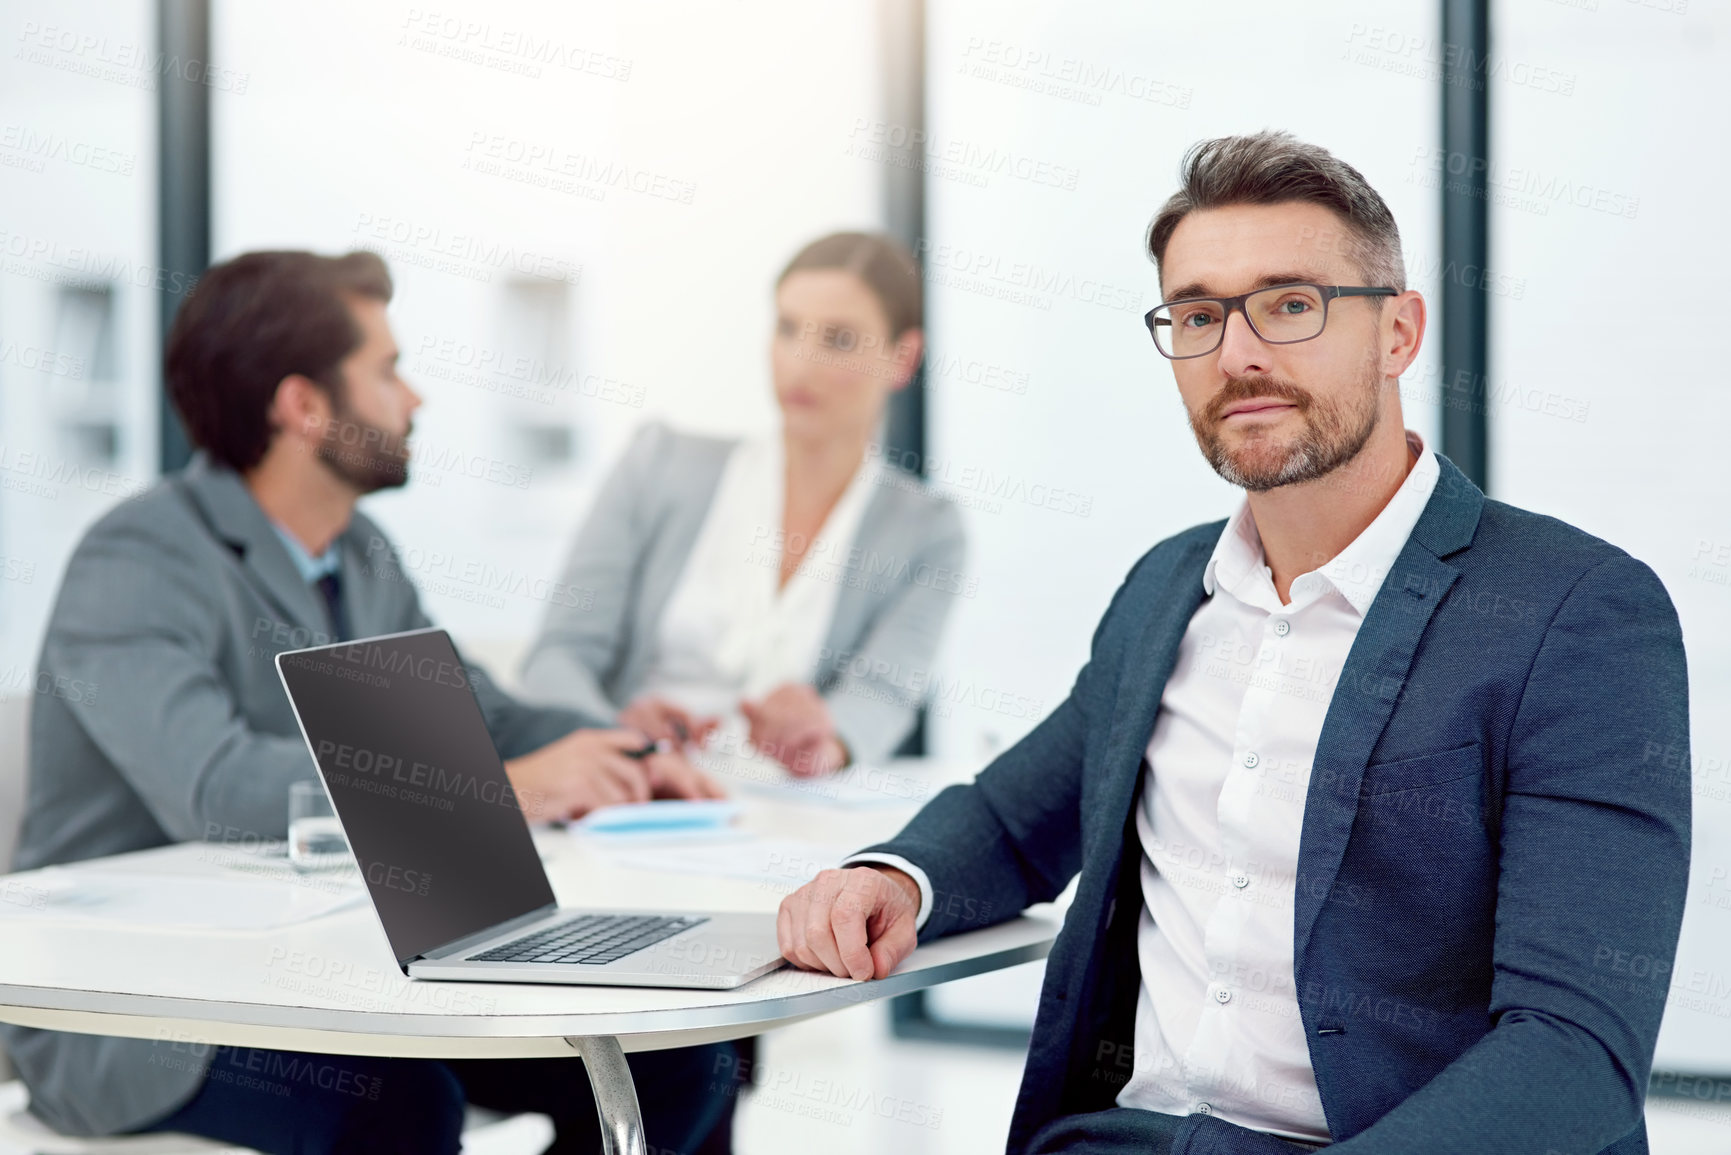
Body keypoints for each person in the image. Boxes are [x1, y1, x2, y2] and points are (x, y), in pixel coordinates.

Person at [777, 132, 1690, 1155]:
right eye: (1200, 315)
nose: (1240, 355)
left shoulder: (1576, 612)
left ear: (1398, 333)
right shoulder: (1169, 588)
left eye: (1292, 304)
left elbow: (1572, 1057)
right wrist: (892, 878)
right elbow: (1012, 818)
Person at [1, 250, 737, 1154]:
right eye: (387, 371)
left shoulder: (361, 553)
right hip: (143, 1010)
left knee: (685, 1055)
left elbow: (485, 716)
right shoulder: (137, 560)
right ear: (303, 405)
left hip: (330, 970)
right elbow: (218, 789)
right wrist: (507, 790)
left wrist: (626, 745)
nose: (415, 399)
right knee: (393, 1099)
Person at [519, 232, 965, 779]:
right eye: (787, 329)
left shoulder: (927, 531)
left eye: (840, 340)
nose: (799, 363)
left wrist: (825, 741)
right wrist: (617, 737)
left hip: (794, 818)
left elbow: (884, 691)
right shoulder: (657, 465)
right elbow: (557, 657)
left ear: (903, 358)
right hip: (632, 797)